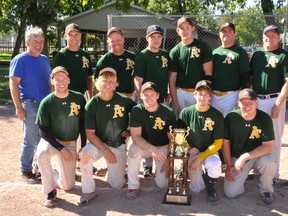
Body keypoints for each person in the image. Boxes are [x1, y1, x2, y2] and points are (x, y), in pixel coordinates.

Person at [78, 67, 136, 205]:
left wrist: (131, 131)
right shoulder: (92, 104)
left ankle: (114, 170)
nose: (108, 84)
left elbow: (140, 114)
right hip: (99, 144)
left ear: (116, 83)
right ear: (98, 82)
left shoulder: (124, 100)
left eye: (112, 81)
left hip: (117, 143)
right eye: (105, 80)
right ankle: (88, 191)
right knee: (85, 154)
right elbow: (90, 135)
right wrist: (106, 151)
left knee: (116, 184)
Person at [35, 66, 86, 207]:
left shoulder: (78, 98)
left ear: (69, 80)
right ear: (52, 81)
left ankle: (54, 174)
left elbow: (83, 124)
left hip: (70, 142)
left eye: (64, 78)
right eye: (57, 79)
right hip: (52, 141)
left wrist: (83, 145)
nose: (61, 82)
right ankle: (50, 191)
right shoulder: (47, 102)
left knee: (68, 186)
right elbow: (43, 131)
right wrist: (60, 148)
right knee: (41, 155)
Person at [9, 26, 51, 184]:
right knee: (30, 139)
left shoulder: (45, 59)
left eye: (41, 42)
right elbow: (13, 84)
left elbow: (49, 82)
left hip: (45, 105)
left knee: (44, 138)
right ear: (27, 42)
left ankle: (39, 166)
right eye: (35, 41)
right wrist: (19, 108)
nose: (38, 44)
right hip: (30, 104)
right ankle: (26, 169)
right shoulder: (20, 60)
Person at [222, 88, 276, 205]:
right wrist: (229, 164)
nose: (247, 106)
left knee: (269, 160)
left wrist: (245, 157)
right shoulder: (231, 118)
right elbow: (225, 143)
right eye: (243, 102)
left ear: (256, 102)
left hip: (257, 157)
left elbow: (268, 147)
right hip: (237, 159)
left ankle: (266, 190)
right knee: (230, 194)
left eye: (250, 102)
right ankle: (242, 178)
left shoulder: (264, 118)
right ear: (238, 103)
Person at [250, 25, 288, 184]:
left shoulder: (284, 55)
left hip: (274, 99)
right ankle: (255, 169)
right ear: (262, 37)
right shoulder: (257, 55)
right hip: (256, 100)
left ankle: (275, 173)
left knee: (274, 137)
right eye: (267, 35)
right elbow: (251, 78)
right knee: (254, 134)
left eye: (273, 35)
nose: (269, 38)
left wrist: (278, 104)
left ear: (279, 38)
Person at [126, 82, 177, 200]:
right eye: (146, 95)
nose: (149, 98)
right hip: (145, 147)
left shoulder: (168, 112)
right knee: (133, 150)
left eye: (152, 95)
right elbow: (136, 137)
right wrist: (152, 149)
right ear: (141, 96)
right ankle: (133, 186)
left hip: (162, 148)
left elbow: (172, 140)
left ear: (157, 95)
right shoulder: (137, 110)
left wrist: (168, 160)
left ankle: (163, 172)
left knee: (162, 185)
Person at [133, 25, 172, 179]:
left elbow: (168, 76)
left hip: (161, 100)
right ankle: (147, 165)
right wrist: (140, 99)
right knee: (147, 132)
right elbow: (138, 79)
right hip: (147, 100)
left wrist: (168, 90)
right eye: (153, 37)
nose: (156, 39)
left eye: (159, 37)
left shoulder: (165, 54)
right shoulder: (142, 56)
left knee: (160, 131)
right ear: (147, 38)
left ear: (162, 38)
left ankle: (161, 162)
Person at [178, 80, 224, 205]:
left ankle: (211, 187)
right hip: (194, 151)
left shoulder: (217, 115)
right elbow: (180, 137)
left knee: (215, 165)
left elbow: (218, 143)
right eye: (199, 94)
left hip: (209, 151)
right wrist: (188, 148)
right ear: (194, 95)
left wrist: (201, 158)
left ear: (210, 96)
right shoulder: (186, 112)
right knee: (196, 188)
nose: (202, 97)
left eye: (205, 94)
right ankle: (200, 177)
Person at [169, 16, 213, 116]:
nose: (185, 31)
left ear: (193, 28)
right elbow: (172, 79)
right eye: (182, 28)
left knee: (200, 121)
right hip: (181, 93)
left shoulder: (203, 46)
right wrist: (175, 104)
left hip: (199, 92)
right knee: (182, 123)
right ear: (177, 30)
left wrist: (205, 94)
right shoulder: (174, 51)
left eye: (187, 27)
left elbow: (208, 73)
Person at [212, 22, 251, 117]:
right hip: (213, 95)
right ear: (219, 34)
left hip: (231, 95)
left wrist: (243, 98)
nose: (226, 33)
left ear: (234, 34)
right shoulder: (215, 52)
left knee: (229, 125)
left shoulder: (240, 52)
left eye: (230, 31)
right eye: (223, 31)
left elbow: (246, 77)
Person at [52, 23, 94, 99]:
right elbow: (53, 81)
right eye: (70, 35)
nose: (74, 37)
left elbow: (89, 78)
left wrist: (91, 97)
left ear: (80, 35)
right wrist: (56, 100)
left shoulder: (85, 55)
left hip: (83, 96)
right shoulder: (60, 56)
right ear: (65, 36)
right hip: (66, 96)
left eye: (76, 34)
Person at [95, 27, 136, 99]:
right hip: (112, 98)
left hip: (131, 96)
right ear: (108, 42)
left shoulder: (132, 57)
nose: (116, 43)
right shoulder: (103, 61)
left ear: (123, 39)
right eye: (112, 41)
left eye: (118, 40)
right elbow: (97, 85)